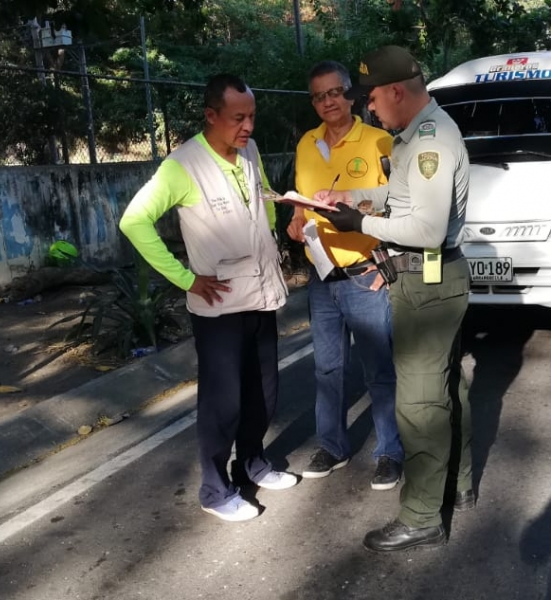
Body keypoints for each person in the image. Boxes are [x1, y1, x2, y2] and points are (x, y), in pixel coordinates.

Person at [314, 46, 473, 552]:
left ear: (396, 91)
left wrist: (358, 223)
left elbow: (425, 228)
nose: (368, 108)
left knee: (420, 404)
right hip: (429, 280)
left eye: (371, 97)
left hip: (427, 280)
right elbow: (405, 198)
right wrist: (357, 199)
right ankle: (458, 485)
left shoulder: (431, 141)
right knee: (445, 387)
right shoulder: (418, 136)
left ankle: (423, 516)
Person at [119, 73, 298, 523]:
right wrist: (184, 278)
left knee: (264, 394)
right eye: (238, 118)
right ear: (211, 116)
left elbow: (262, 200)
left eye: (252, 116)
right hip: (218, 308)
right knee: (225, 403)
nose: (248, 127)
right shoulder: (183, 165)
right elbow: (134, 221)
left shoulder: (250, 153)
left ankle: (253, 465)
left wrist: (276, 229)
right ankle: (215, 490)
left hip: (260, 295)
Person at [286, 61, 403, 490]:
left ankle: (390, 451)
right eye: (319, 95)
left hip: (366, 272)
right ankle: (333, 445)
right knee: (327, 369)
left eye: (335, 92)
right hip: (322, 274)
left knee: (379, 370)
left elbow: (398, 203)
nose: (328, 101)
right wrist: (296, 221)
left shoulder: (378, 141)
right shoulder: (306, 144)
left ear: (351, 94)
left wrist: (385, 260)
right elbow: (301, 202)